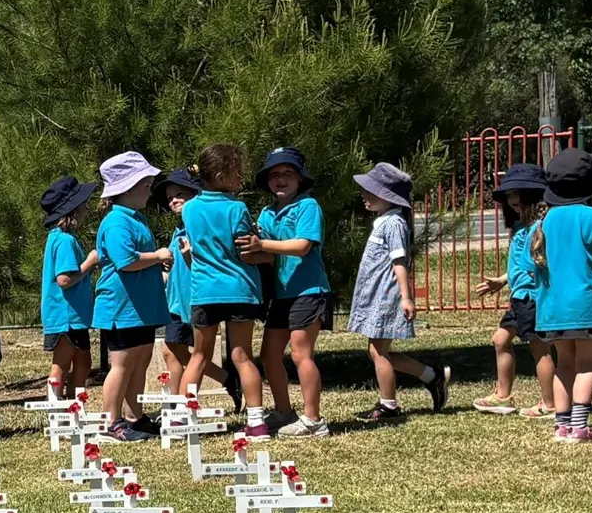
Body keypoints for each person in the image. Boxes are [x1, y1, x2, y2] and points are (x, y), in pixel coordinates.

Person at [528, 150, 592, 442]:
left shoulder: (542, 224)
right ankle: (580, 427)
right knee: (587, 365)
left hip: (552, 312)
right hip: (587, 308)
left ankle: (561, 426)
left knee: (563, 364)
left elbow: (531, 264)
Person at [346, 162, 446, 423]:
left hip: (387, 294)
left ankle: (389, 405)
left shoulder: (394, 224)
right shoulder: (384, 221)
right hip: (377, 294)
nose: (364, 196)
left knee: (378, 351)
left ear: (388, 197)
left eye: (371, 191)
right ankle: (431, 376)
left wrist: (406, 296)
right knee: (377, 351)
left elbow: (399, 262)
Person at [242, 147, 331, 437]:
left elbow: (302, 246)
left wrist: (261, 246)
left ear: (301, 179)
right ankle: (284, 411)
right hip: (281, 295)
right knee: (268, 355)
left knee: (300, 354)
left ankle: (313, 420)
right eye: (274, 174)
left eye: (288, 173)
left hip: (308, 290)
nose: (280, 179)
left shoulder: (308, 206)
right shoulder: (267, 213)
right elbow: (264, 255)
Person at [84, 153, 172, 440]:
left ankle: (136, 416)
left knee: (140, 362)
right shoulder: (116, 222)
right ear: (127, 187)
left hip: (142, 307)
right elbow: (125, 260)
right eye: (145, 184)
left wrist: (158, 263)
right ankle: (112, 421)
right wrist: (157, 255)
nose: (150, 189)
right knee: (121, 364)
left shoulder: (136, 219)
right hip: (121, 308)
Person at [176, 144, 262, 420]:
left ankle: (181, 415)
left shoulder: (189, 209)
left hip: (204, 291)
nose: (241, 177)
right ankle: (257, 420)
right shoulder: (238, 209)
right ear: (223, 174)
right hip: (238, 289)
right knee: (242, 356)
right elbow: (245, 251)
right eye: (238, 172)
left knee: (200, 355)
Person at [473, 164, 551, 416]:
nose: (513, 199)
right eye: (509, 195)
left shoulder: (543, 226)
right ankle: (503, 396)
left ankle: (550, 403)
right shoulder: (519, 228)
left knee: (539, 348)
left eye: (519, 193)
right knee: (500, 340)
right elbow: (518, 265)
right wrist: (503, 280)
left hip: (533, 298)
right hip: (518, 298)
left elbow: (541, 263)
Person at [36, 176, 99, 401]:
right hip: (66, 317)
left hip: (73, 317)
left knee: (83, 363)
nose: (86, 209)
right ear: (72, 210)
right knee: (61, 364)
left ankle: (74, 404)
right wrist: (90, 262)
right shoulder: (64, 241)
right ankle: (57, 407)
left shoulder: (59, 239)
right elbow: (64, 280)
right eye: (82, 205)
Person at [154, 166, 202, 396]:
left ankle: (185, 403)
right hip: (174, 302)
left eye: (179, 194)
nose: (173, 201)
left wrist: (189, 255)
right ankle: (175, 401)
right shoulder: (177, 232)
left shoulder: (199, 226)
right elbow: (170, 270)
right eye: (169, 198)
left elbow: (203, 266)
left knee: (197, 353)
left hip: (195, 300)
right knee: (170, 351)